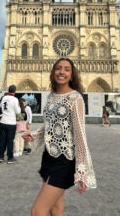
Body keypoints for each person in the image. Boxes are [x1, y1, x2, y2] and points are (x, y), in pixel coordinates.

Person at [25, 58, 97, 216]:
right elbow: (50, 125)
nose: (61, 72)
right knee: (55, 209)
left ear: (72, 75)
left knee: (37, 211)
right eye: (58, 68)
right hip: (48, 157)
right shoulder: (51, 96)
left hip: (64, 161)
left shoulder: (75, 99)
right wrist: (35, 135)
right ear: (53, 72)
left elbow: (79, 135)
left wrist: (82, 170)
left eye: (66, 69)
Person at [0, 85, 21, 164]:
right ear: (14, 91)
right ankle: (10, 158)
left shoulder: (3, 98)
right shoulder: (15, 99)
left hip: (2, 121)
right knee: (10, 140)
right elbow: (18, 112)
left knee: (2, 139)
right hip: (11, 122)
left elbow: (0, 107)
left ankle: (1, 157)